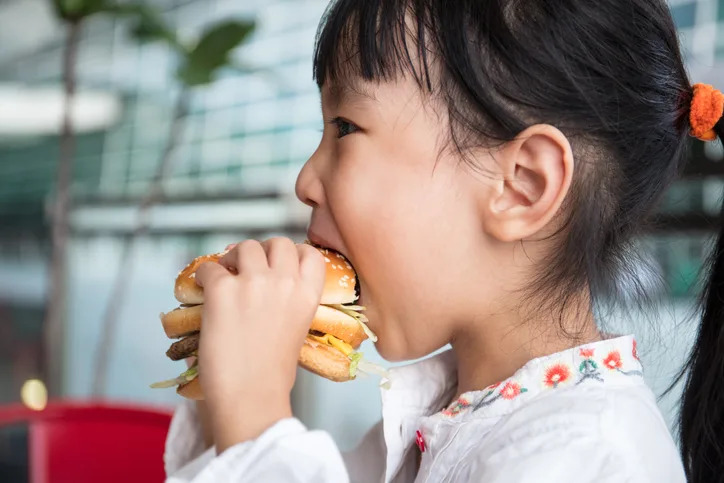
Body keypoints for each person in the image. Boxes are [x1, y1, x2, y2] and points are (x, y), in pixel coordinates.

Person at [162, 0, 724, 481]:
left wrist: (256, 412)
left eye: (346, 128)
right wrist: (226, 388)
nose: (305, 181)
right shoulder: (449, 410)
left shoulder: (588, 455)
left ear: (521, 186)